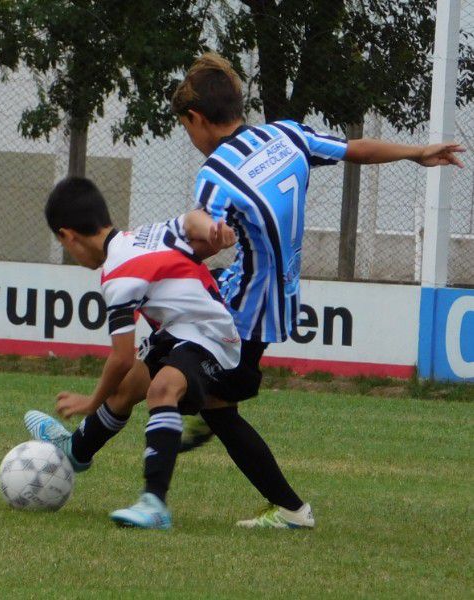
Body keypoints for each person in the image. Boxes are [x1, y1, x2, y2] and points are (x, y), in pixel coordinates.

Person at [168, 52, 465, 526]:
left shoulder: (216, 174)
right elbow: (356, 151)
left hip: (243, 304)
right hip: (277, 297)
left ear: (197, 118)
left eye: (187, 129)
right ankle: (190, 413)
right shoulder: (285, 134)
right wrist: (416, 152)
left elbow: (200, 242)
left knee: (173, 377)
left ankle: (288, 508)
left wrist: (156, 260)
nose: (191, 138)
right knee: (191, 380)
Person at [25, 177, 313, 530]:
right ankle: (76, 451)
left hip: (211, 336)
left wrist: (89, 400)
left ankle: (154, 503)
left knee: (163, 389)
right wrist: (210, 228)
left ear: (69, 235)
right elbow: (191, 220)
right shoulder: (145, 235)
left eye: (64, 244)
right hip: (180, 332)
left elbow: (121, 357)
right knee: (134, 390)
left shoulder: (118, 277)